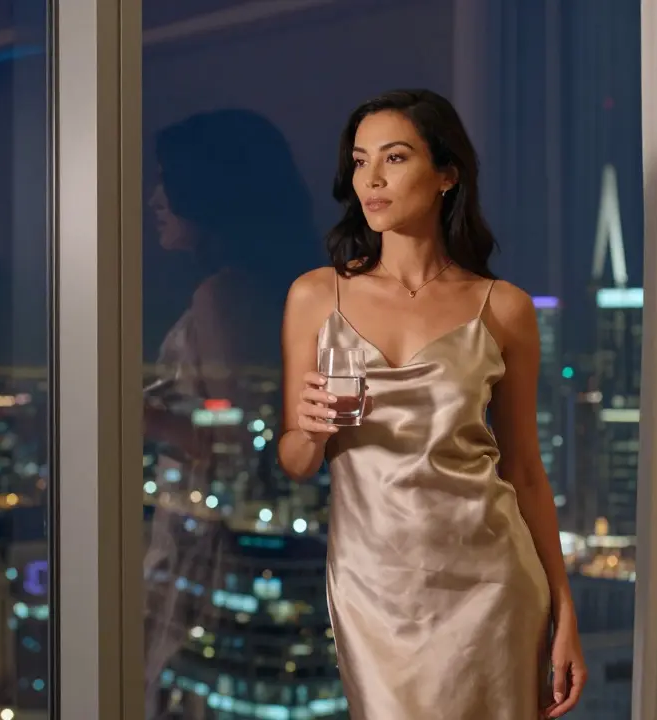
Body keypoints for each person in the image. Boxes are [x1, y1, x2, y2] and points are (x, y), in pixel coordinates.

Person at [277, 89, 587, 720]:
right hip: (372, 588)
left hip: (493, 585)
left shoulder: (504, 308)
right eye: (361, 161)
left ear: (447, 174)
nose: (372, 178)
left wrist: (564, 609)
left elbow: (524, 471)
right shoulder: (315, 296)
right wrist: (308, 431)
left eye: (394, 158)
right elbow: (296, 461)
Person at [142, 108, 319, 718]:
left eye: (168, 180)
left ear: (209, 188)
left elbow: (243, 452)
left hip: (217, 549)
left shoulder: (224, 296)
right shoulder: (269, 290)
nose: (154, 198)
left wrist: (140, 417)